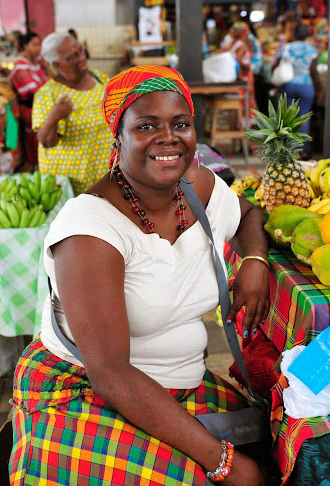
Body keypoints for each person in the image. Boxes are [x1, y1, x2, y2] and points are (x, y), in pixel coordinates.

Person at [10, 66, 270, 486]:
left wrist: (254, 262)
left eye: (180, 124)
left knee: (277, 439)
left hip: (178, 384)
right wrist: (223, 462)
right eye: (146, 125)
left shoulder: (194, 186)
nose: (168, 138)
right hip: (88, 391)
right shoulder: (90, 229)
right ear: (119, 137)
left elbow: (249, 214)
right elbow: (111, 373)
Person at [32, 31, 112, 195]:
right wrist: (54, 118)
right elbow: (47, 142)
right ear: (57, 65)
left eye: (80, 51)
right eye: (72, 57)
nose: (81, 58)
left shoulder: (100, 79)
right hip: (74, 183)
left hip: (106, 177)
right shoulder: (49, 95)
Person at [272, 22, 324, 160]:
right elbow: (314, 71)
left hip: (288, 86)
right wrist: (320, 89)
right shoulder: (311, 49)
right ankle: (304, 151)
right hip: (306, 87)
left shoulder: (286, 48)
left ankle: (287, 150)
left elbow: (275, 65)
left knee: (286, 118)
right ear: (307, 34)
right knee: (303, 118)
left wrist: (276, 79)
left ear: (294, 33)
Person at [10, 32, 47, 170]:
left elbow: (50, 83)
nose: (38, 48)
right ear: (25, 46)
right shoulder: (20, 65)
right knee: (35, 141)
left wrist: (47, 68)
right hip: (30, 111)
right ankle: (35, 166)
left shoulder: (38, 63)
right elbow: (33, 91)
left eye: (39, 45)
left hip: (42, 107)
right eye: (34, 45)